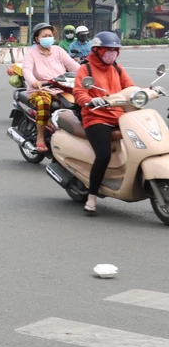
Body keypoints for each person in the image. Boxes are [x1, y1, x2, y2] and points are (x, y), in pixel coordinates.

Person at [72, 31, 134, 215]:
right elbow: (79, 92)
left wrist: (149, 91)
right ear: (97, 50)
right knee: (103, 154)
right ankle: (92, 196)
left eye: (115, 50)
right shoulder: (86, 69)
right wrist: (90, 101)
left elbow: (130, 88)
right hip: (96, 117)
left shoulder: (117, 68)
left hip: (119, 115)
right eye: (108, 50)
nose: (112, 54)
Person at [22, 22, 81, 153]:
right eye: (45, 36)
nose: (48, 37)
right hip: (40, 90)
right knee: (43, 103)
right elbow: (27, 70)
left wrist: (88, 74)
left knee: (79, 103)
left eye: (50, 35)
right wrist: (34, 81)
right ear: (37, 39)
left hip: (61, 88)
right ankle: (40, 137)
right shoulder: (31, 53)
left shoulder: (58, 50)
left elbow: (72, 65)